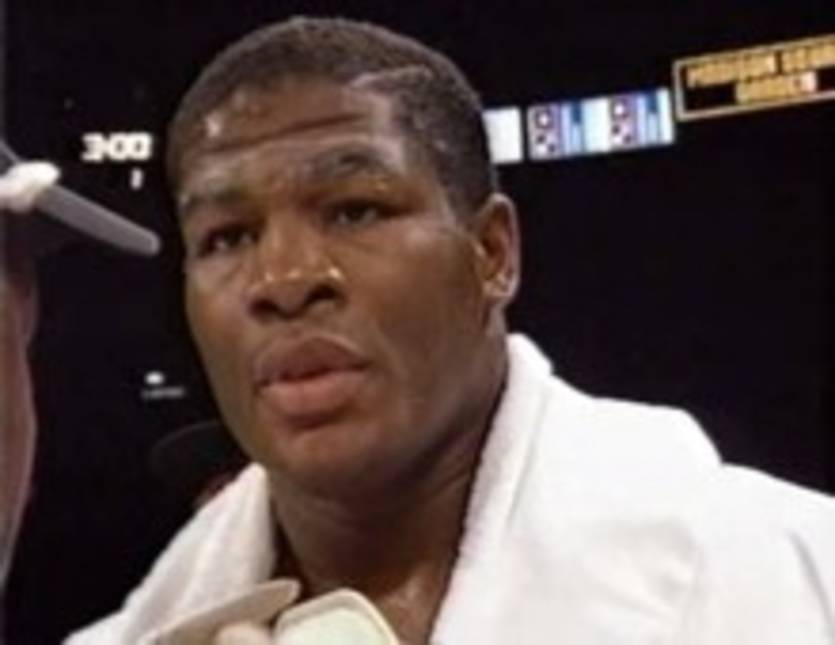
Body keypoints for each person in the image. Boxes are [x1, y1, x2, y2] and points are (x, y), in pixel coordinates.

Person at [28, 15, 835, 644]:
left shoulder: (796, 577)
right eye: (226, 237)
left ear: (491, 254)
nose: (283, 279)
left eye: (355, 210)